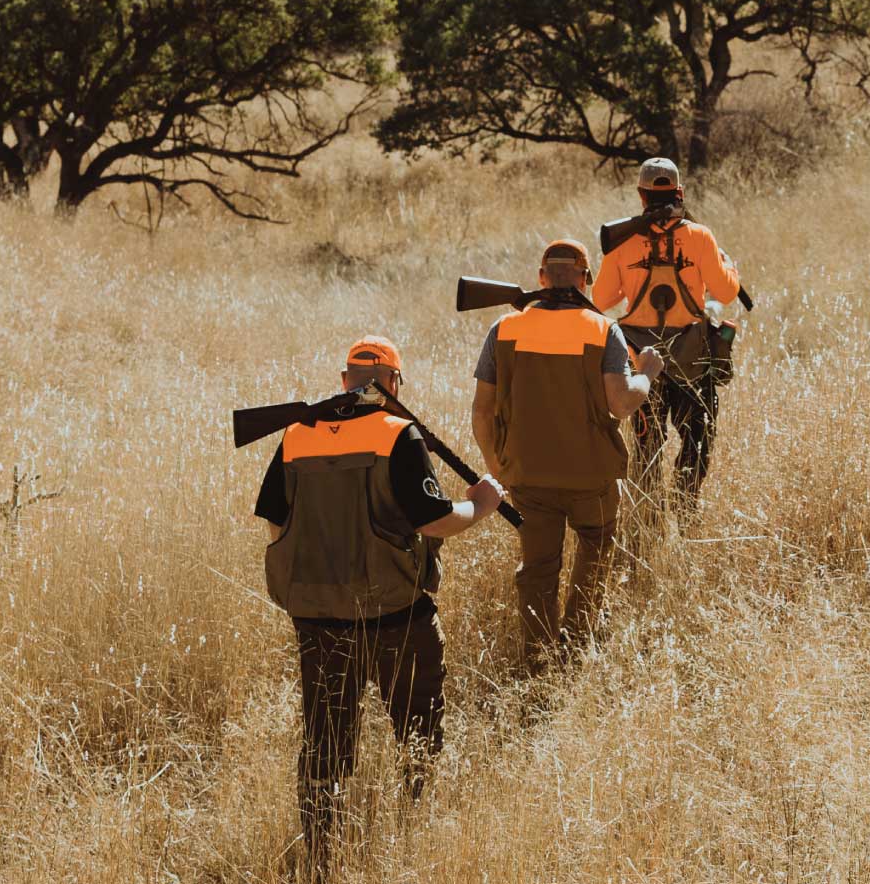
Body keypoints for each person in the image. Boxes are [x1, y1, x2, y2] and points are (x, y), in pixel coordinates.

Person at [253, 335, 506, 861]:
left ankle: (321, 853)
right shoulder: (397, 434)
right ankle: (415, 842)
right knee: (418, 732)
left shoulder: (297, 436)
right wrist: (480, 505)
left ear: (345, 380)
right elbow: (434, 520)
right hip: (397, 614)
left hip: (317, 617)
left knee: (325, 740)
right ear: (393, 384)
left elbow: (277, 522)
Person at [471, 238, 663, 673]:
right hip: (590, 477)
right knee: (595, 550)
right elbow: (621, 403)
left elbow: (482, 410)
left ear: (541, 278)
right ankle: (575, 650)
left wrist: (497, 466)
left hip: (527, 475)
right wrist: (648, 373)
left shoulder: (505, 329)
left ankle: (539, 662)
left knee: (538, 568)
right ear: (584, 280)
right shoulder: (601, 329)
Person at [591, 157, 743, 500]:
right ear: (680, 192)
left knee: (646, 446)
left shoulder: (622, 241)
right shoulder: (700, 236)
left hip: (639, 359)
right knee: (697, 439)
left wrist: (632, 279)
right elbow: (726, 293)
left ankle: (649, 517)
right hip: (692, 357)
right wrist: (729, 266)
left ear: (641, 196)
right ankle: (685, 506)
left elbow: (601, 299)